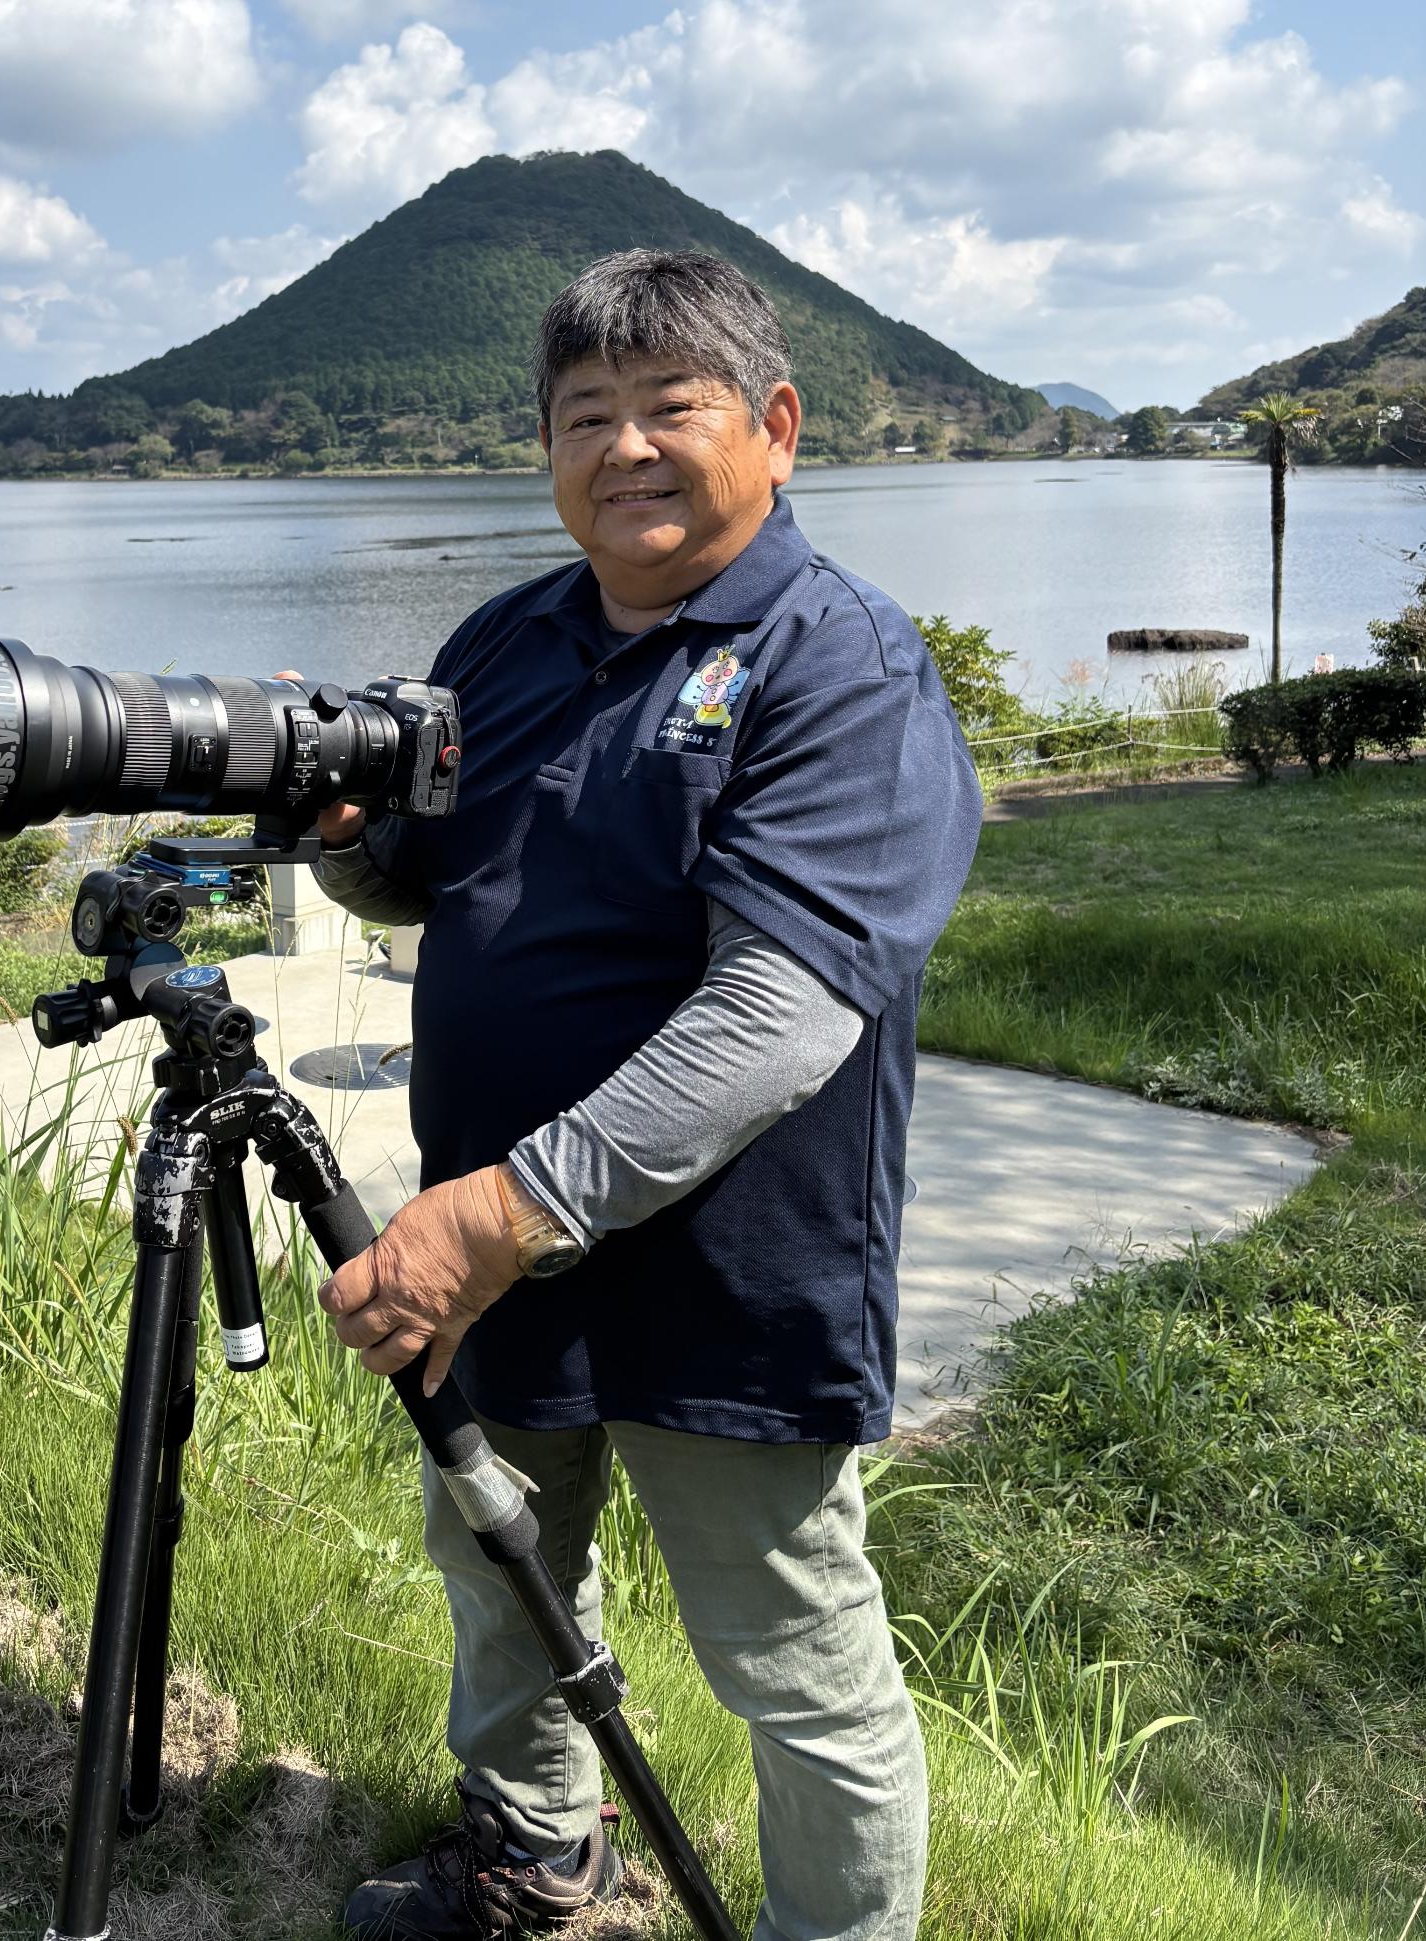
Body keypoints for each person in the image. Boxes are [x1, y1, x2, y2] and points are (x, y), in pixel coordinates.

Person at [295, 248, 982, 1941]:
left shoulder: (843, 664)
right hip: (502, 1240)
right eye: (584, 413)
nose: (625, 447)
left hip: (727, 1266)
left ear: (776, 426)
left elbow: (777, 1012)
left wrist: (501, 1211)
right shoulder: (506, 641)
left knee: (792, 1656)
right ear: (546, 447)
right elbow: (426, 879)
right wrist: (344, 840)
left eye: (670, 405)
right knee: (505, 1569)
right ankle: (540, 1856)